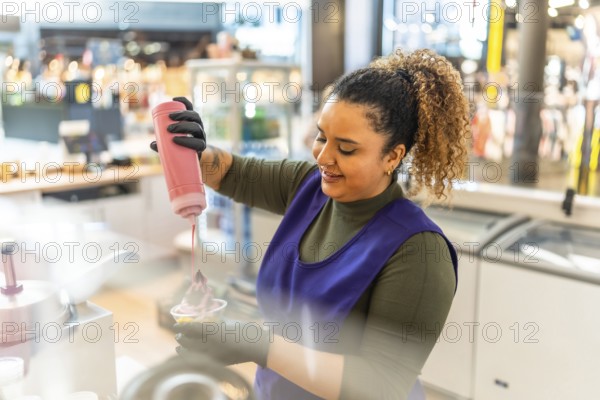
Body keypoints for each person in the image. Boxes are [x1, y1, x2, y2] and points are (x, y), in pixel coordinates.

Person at [150, 48, 470, 400]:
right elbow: (234, 173)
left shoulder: (419, 252)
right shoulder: (309, 187)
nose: (323, 157)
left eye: (346, 149)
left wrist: (259, 345)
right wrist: (192, 152)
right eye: (321, 137)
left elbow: (381, 385)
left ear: (392, 156)